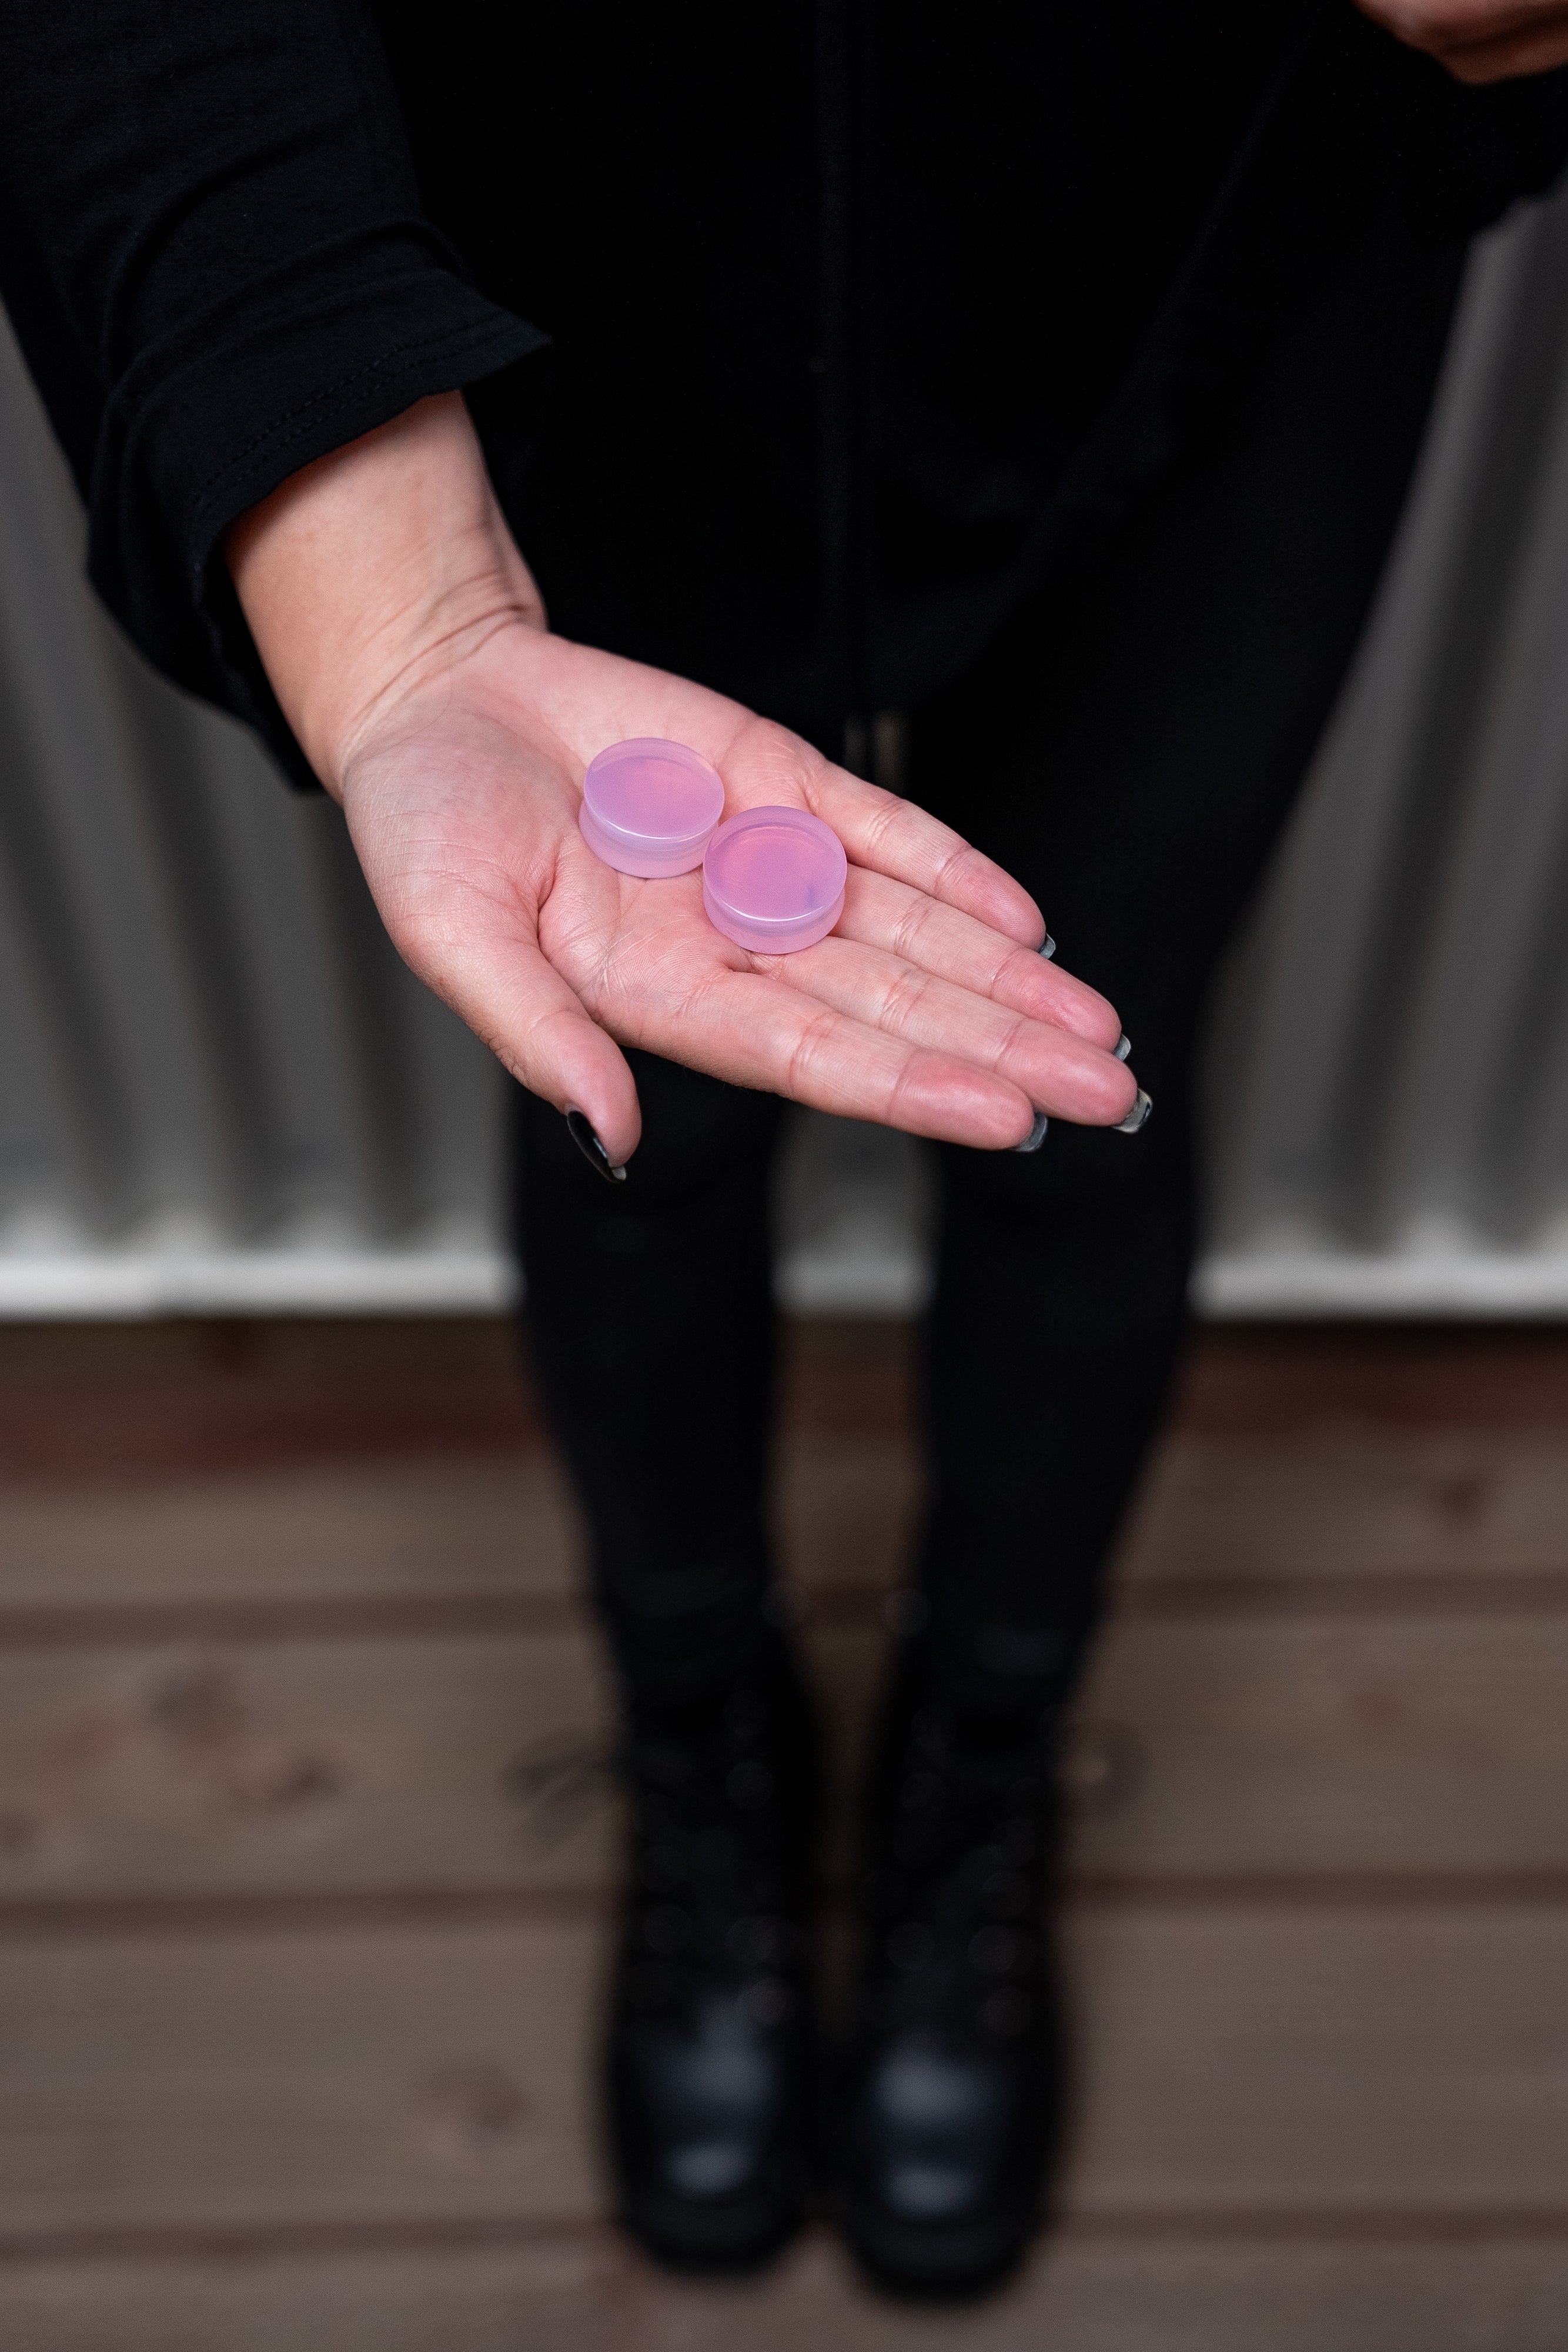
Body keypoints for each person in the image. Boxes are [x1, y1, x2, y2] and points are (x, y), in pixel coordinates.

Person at [4, 0, 1567, 2303]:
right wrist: (399, 596)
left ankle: (982, 1751)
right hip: (547, 257)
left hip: (1243, 215)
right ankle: (700, 1733)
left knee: (1075, 1076)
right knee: (625, 1096)